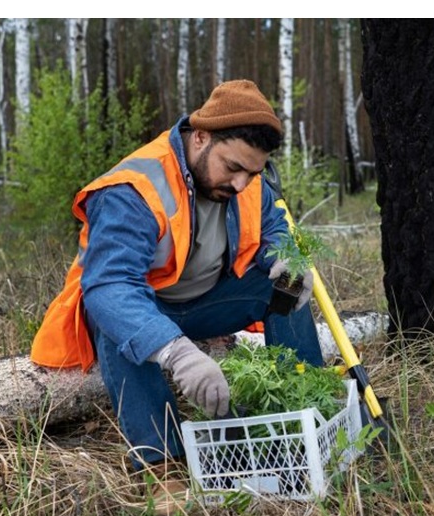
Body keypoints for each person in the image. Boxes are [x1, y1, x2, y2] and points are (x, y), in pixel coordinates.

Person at [30, 80, 323, 470]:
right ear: (200, 137)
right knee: (119, 326)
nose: (241, 184)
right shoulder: (134, 189)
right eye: (233, 167)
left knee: (284, 290)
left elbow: (274, 229)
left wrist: (286, 261)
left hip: (203, 303)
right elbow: (109, 287)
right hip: (143, 308)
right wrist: (177, 352)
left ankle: (306, 411)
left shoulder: (247, 181)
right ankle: (159, 462)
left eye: (251, 173)